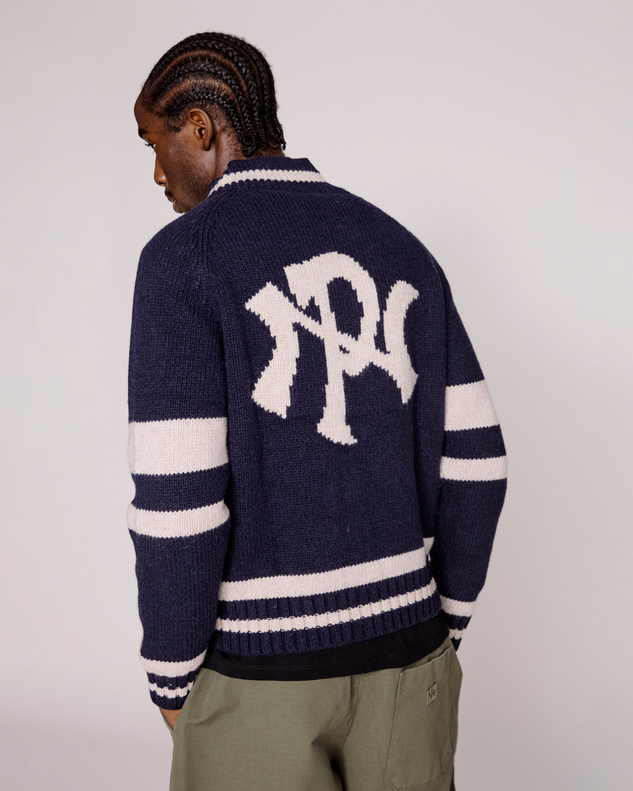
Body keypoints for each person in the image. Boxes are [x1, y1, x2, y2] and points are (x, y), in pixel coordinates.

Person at [128, 31, 507, 791]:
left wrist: (171, 675)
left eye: (155, 142)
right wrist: (440, 625)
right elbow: (477, 461)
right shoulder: (401, 247)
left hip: (257, 676)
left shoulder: (183, 259)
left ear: (199, 128)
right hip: (409, 663)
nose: (157, 172)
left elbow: (179, 503)